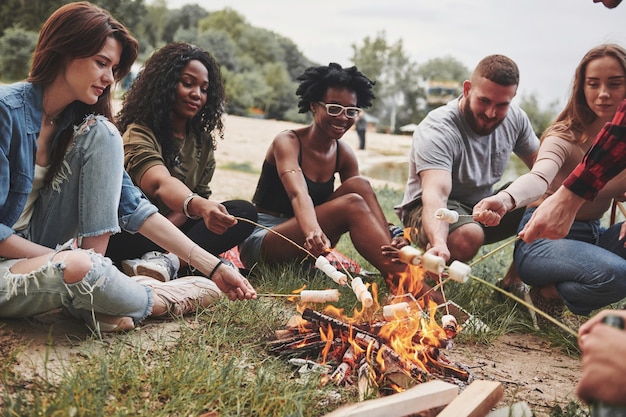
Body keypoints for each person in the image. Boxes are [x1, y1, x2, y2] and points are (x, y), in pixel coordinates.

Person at [0, 2, 255, 333]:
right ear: (64, 51)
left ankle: (94, 291)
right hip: (9, 266)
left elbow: (133, 206)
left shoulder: (77, 124)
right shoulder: (6, 112)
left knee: (105, 132)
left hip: (44, 249)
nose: (108, 79)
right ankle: (153, 300)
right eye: (101, 63)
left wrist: (213, 266)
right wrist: (72, 262)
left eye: (113, 69)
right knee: (79, 266)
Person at [473, 44, 626, 317]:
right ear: (581, 88)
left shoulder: (621, 145)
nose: (603, 94)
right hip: (541, 243)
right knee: (619, 275)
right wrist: (506, 198)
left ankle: (567, 285)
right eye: (593, 84)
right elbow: (538, 177)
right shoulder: (565, 136)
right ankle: (547, 293)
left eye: (615, 84)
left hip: (593, 237)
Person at [238, 63, 407, 286]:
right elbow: (299, 194)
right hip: (264, 241)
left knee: (359, 186)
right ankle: (403, 281)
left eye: (351, 111)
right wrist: (312, 231)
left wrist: (394, 235)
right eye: (334, 108)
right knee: (351, 203)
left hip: (311, 245)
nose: (343, 118)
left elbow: (365, 201)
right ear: (314, 106)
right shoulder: (288, 142)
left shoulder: (343, 153)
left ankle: (397, 265)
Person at [107, 42, 257, 281]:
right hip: (135, 230)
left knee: (242, 212)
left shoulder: (202, 143)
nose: (197, 94)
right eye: (188, 83)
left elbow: (197, 202)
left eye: (204, 89)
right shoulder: (139, 132)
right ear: (164, 85)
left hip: (174, 227)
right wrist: (193, 209)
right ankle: (180, 260)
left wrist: (183, 227)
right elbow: (159, 183)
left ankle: (168, 261)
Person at [394, 54, 539, 285]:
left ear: (512, 97)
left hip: (481, 206)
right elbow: (436, 194)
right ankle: (436, 252)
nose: (491, 113)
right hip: (426, 209)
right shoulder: (438, 128)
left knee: (545, 193)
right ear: (468, 89)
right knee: (468, 236)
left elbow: (544, 169)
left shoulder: (517, 120)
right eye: (484, 101)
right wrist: (440, 243)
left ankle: (513, 282)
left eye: (502, 105)